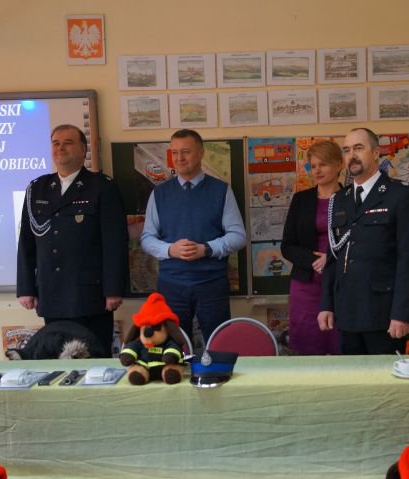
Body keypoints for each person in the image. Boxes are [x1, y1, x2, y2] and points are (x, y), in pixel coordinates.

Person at [16, 124, 128, 357]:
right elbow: (26, 242)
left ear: (83, 149)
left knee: (95, 358)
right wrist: (26, 288)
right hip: (52, 292)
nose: (60, 148)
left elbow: (115, 243)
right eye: (56, 143)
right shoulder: (37, 189)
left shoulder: (102, 187)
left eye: (68, 143)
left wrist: (114, 289)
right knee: (55, 358)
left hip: (91, 294)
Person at [318, 128, 409, 355]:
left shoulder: (400, 195)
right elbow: (333, 257)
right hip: (346, 313)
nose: (352, 156)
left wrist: (402, 313)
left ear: (376, 153)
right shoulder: (340, 200)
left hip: (384, 315)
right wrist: (326, 304)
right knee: (352, 377)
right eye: (347, 150)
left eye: (358, 148)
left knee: (386, 377)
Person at [140, 129, 246, 343]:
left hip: (211, 284)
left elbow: (238, 236)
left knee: (218, 345)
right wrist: (170, 250)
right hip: (172, 285)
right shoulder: (159, 193)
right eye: (175, 152)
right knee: (174, 348)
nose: (179, 158)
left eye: (186, 152)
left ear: (200, 153)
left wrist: (205, 249)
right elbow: (147, 238)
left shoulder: (221, 191)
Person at [280, 140, 342, 355]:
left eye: (323, 164)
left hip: (341, 284)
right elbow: (287, 246)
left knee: (341, 344)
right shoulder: (301, 200)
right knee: (308, 345)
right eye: (313, 166)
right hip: (306, 285)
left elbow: (361, 242)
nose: (317, 171)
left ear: (339, 165)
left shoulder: (352, 199)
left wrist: (330, 258)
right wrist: (313, 260)